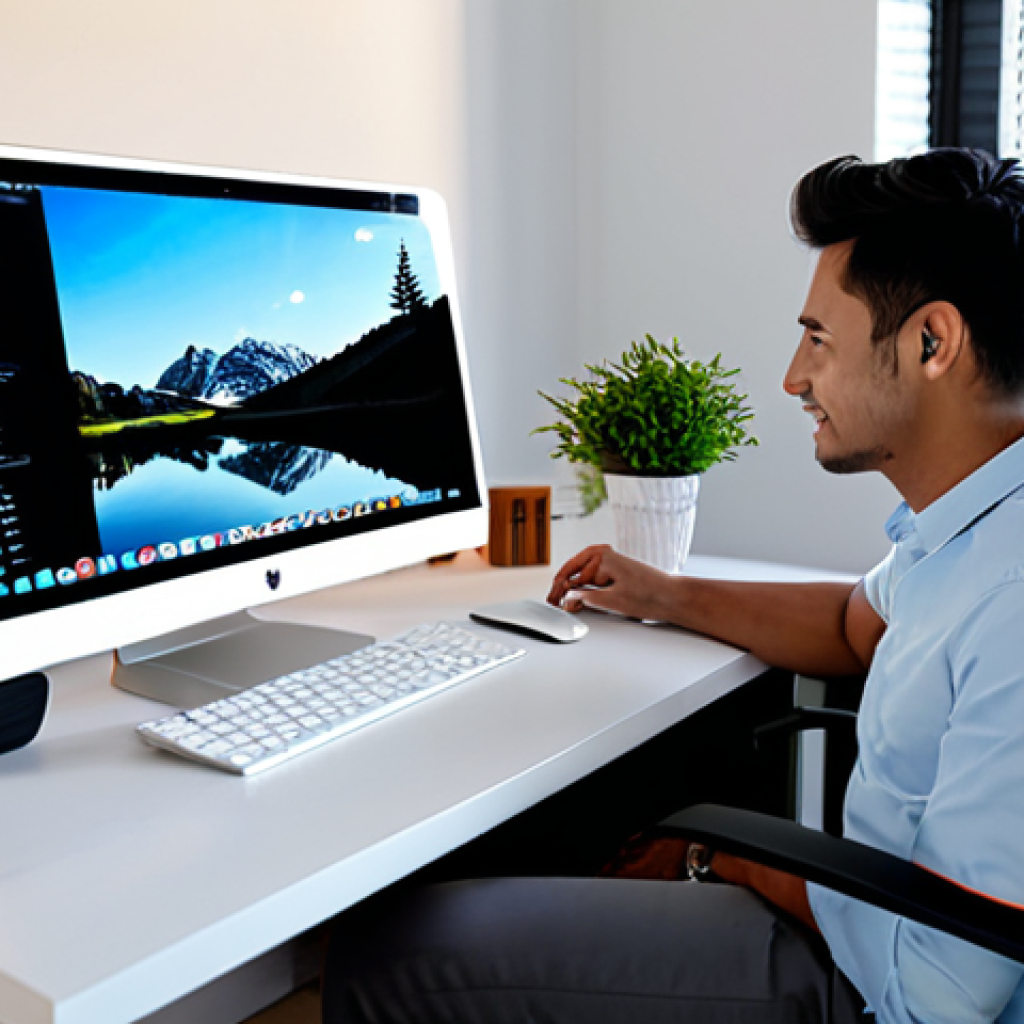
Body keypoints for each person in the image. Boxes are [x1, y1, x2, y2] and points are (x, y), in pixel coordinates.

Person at [322, 148, 1024, 1023]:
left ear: (932, 342)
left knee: (392, 954)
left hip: (871, 990)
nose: (792, 377)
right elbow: (855, 625)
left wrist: (732, 861)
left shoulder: (1011, 601)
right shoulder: (971, 525)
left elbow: (942, 996)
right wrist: (663, 593)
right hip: (864, 926)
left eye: (817, 338)